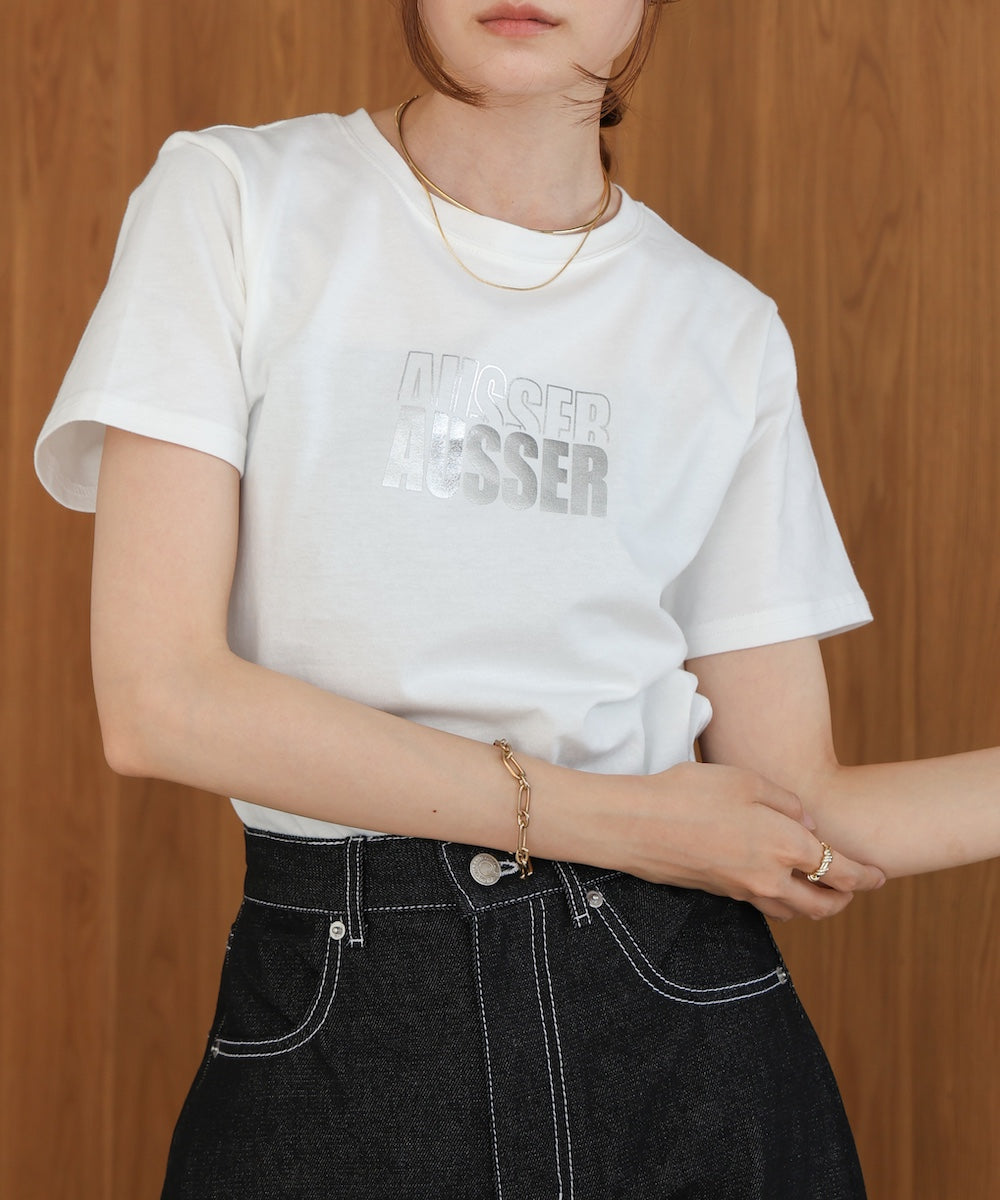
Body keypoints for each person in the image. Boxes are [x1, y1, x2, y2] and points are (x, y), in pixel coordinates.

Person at [32, 2, 1000, 1197]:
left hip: (680, 1017)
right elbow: (161, 704)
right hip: (352, 1008)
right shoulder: (237, 200)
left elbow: (796, 807)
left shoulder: (724, 329)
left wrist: (663, 834)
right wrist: (622, 821)